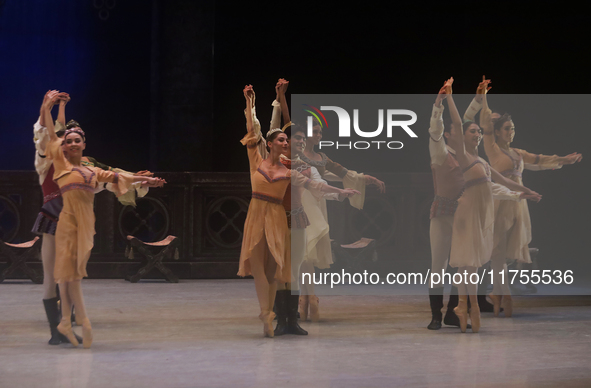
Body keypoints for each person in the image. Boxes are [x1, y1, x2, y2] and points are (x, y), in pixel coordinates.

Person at [40, 93, 165, 348]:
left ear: (84, 144)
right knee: (60, 275)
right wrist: (50, 107)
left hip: (84, 223)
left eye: (78, 140)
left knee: (72, 274)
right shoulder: (57, 162)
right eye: (69, 140)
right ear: (63, 145)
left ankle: (68, 319)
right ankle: (69, 324)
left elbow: (115, 176)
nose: (72, 143)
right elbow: (51, 133)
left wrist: (144, 180)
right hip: (57, 220)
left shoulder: (90, 168)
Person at [239, 84, 359, 337]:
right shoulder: (277, 164)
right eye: (293, 139)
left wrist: (340, 192)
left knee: (292, 271)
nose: (298, 141)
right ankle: (280, 318)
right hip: (277, 221)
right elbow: (276, 128)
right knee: (278, 271)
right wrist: (279, 100)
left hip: (298, 221)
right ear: (282, 143)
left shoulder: (301, 167)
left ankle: (291, 319)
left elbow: (318, 185)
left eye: (301, 139)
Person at [426, 82, 540, 330]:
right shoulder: (441, 152)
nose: (475, 135)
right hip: (444, 213)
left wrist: (520, 194)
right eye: (471, 132)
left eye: (477, 132)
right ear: (450, 135)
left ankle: (456, 312)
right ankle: (437, 314)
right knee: (439, 266)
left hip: (465, 215)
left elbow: (494, 185)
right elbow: (442, 128)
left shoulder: (475, 158)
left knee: (464, 263)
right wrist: (440, 104)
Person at [465, 76, 582, 317]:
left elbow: (539, 160)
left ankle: (499, 292)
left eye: (513, 128)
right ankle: (501, 292)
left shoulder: (518, 153)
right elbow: (485, 120)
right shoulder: (492, 148)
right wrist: (483, 95)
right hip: (501, 202)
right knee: (496, 250)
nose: (511, 132)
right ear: (497, 132)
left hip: (518, 205)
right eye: (507, 128)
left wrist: (563, 159)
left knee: (505, 252)